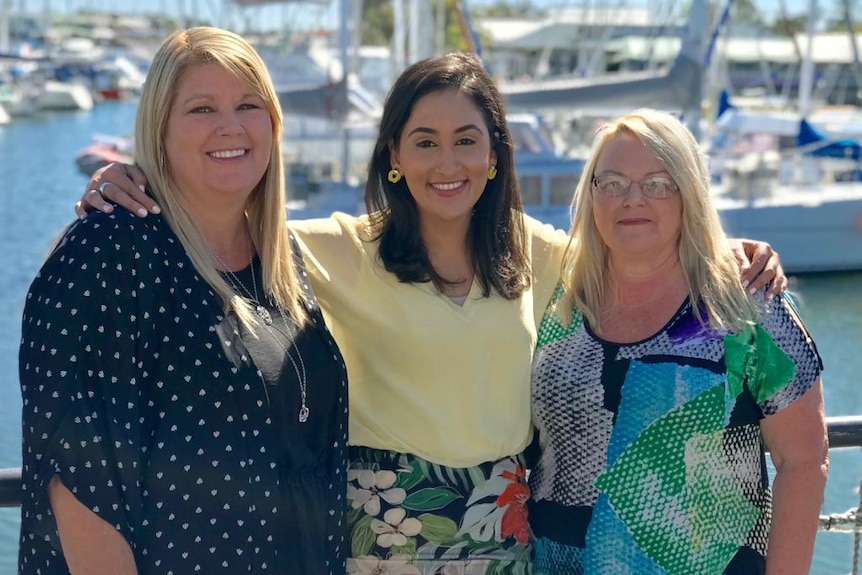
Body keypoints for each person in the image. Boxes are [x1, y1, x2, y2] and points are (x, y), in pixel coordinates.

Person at [75, 54, 786, 574]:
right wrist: (131, 183)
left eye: (466, 140)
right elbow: (218, 223)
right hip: (383, 538)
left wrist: (736, 252)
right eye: (424, 141)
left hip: (507, 538)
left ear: (494, 154)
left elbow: (645, 245)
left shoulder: (543, 257)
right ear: (393, 157)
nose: (447, 161)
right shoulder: (338, 251)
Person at [19, 27, 348, 575]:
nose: (230, 126)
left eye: (248, 104)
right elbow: (75, 477)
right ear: (159, 130)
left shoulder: (281, 260)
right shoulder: (113, 250)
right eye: (201, 109)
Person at [528, 109, 827, 575]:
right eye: (612, 183)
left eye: (657, 184)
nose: (633, 199)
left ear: (689, 194)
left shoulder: (744, 306)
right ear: (591, 196)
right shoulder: (556, 306)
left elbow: (803, 459)